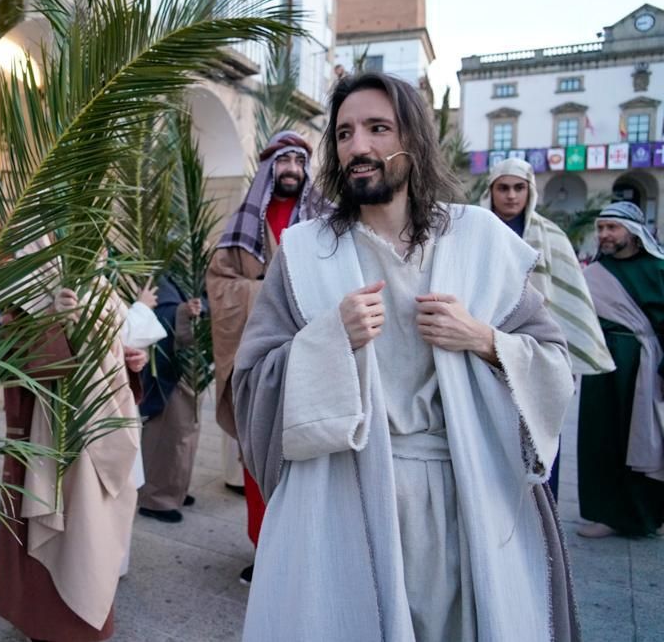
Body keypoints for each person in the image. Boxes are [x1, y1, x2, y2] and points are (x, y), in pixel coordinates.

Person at [234, 72, 578, 641]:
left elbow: (554, 363)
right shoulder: (306, 252)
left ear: (413, 139)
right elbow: (250, 384)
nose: (358, 147)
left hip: (462, 500)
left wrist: (484, 339)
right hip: (339, 498)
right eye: (344, 134)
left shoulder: (480, 240)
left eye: (376, 128)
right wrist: (328, 338)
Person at [0, 269, 146, 642]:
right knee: (60, 554)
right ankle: (48, 628)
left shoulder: (98, 280)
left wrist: (124, 360)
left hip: (100, 427)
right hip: (46, 438)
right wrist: (51, 323)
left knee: (91, 540)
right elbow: (6, 357)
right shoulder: (27, 276)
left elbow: (104, 346)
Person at [205, 129, 318, 583]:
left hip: (311, 359)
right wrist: (266, 293)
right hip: (260, 361)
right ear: (271, 169)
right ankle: (264, 547)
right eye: (283, 162)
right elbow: (219, 282)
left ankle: (304, 553)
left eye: (298, 162)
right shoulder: (242, 224)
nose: (291, 170)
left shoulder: (325, 220)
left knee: (306, 460)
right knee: (257, 458)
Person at [483, 158, 615, 495]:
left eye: (519, 187)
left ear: (530, 191)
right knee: (489, 434)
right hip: (485, 347)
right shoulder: (475, 231)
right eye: (503, 187)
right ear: (491, 191)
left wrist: (562, 356)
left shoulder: (552, 237)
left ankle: (544, 514)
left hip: (536, 351)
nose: (511, 195)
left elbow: (568, 299)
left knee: (540, 430)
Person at [577, 201, 664, 538]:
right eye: (600, 228)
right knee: (601, 439)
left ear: (634, 233)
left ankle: (646, 515)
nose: (604, 235)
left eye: (612, 228)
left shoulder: (657, 270)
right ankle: (608, 515)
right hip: (602, 365)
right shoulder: (596, 273)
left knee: (644, 440)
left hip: (644, 366)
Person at [136, 275, 206, 522]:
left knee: (186, 431)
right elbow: (159, 311)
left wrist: (197, 308)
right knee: (168, 432)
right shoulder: (162, 272)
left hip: (190, 364)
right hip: (168, 365)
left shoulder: (184, 271)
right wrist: (183, 311)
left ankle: (175, 488)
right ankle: (155, 497)